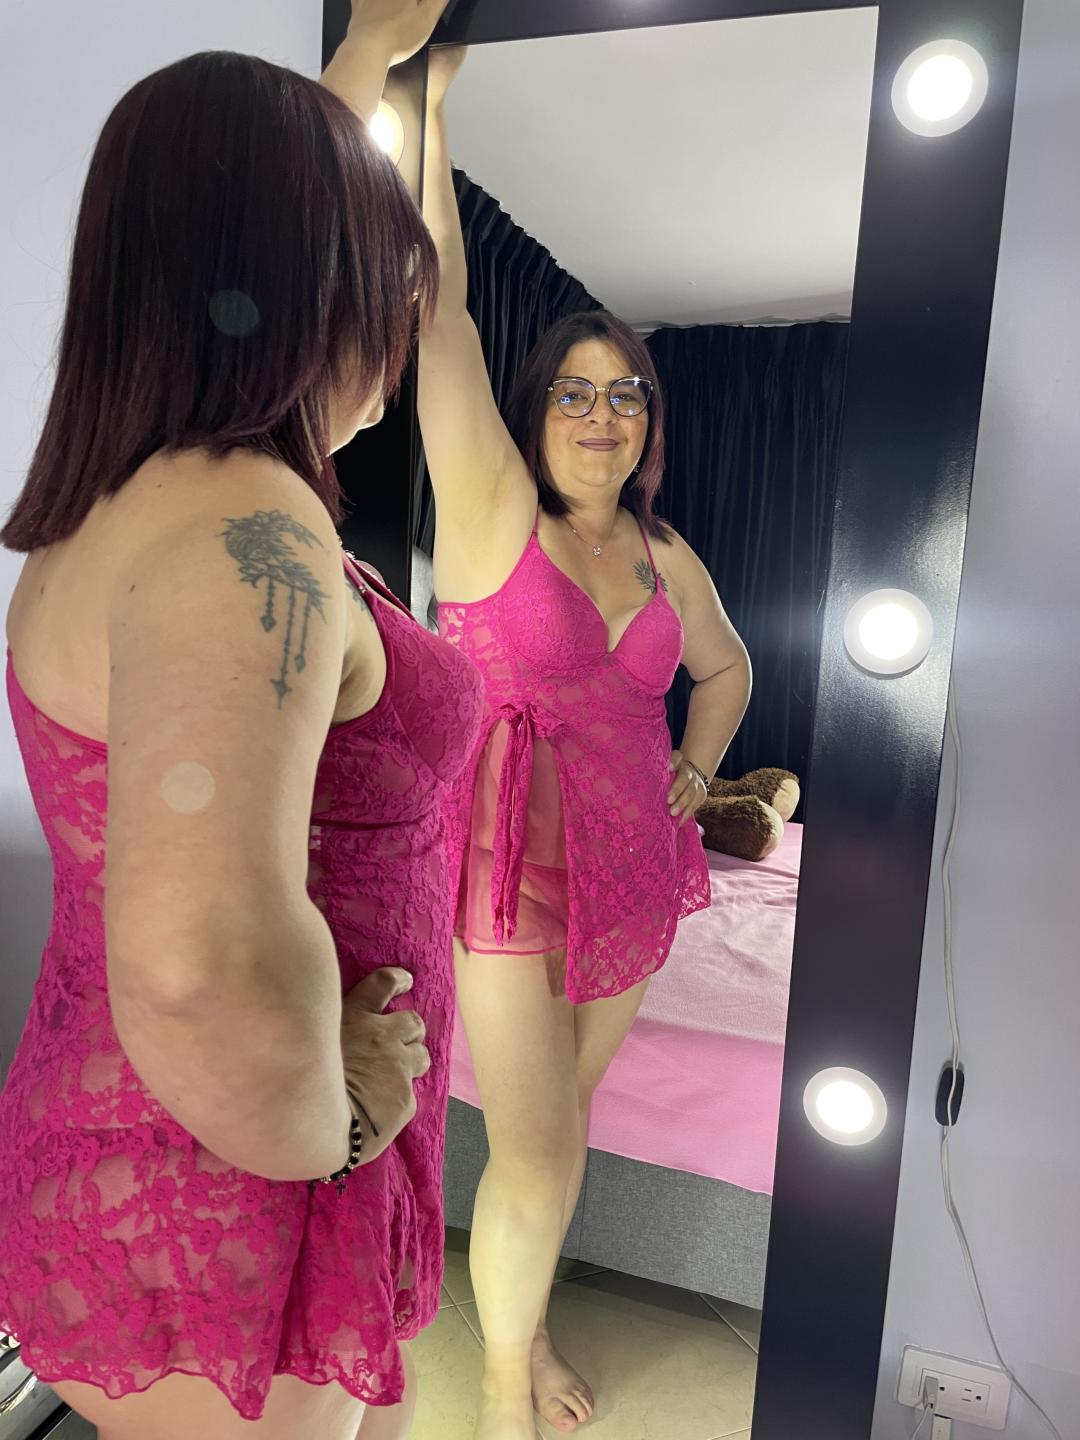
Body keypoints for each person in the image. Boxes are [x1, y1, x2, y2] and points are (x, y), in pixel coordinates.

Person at [0, 4, 471, 1439]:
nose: (401, 325)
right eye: (385, 278)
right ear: (308, 277)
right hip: (238, 1179)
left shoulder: (126, 511)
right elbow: (197, 965)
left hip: (179, 1140)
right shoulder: (237, 527)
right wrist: (336, 1125)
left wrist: (364, 63)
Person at [418, 48, 754, 1440]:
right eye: (575, 391)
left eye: (626, 395)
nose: (602, 416)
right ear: (535, 408)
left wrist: (695, 771)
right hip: (505, 868)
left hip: (636, 865)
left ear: (648, 424)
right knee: (540, 1135)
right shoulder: (494, 512)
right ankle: (505, 1382)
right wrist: (426, 118)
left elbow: (727, 670)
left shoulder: (670, 555)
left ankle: (529, 1319)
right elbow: (440, 318)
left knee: (570, 1114)